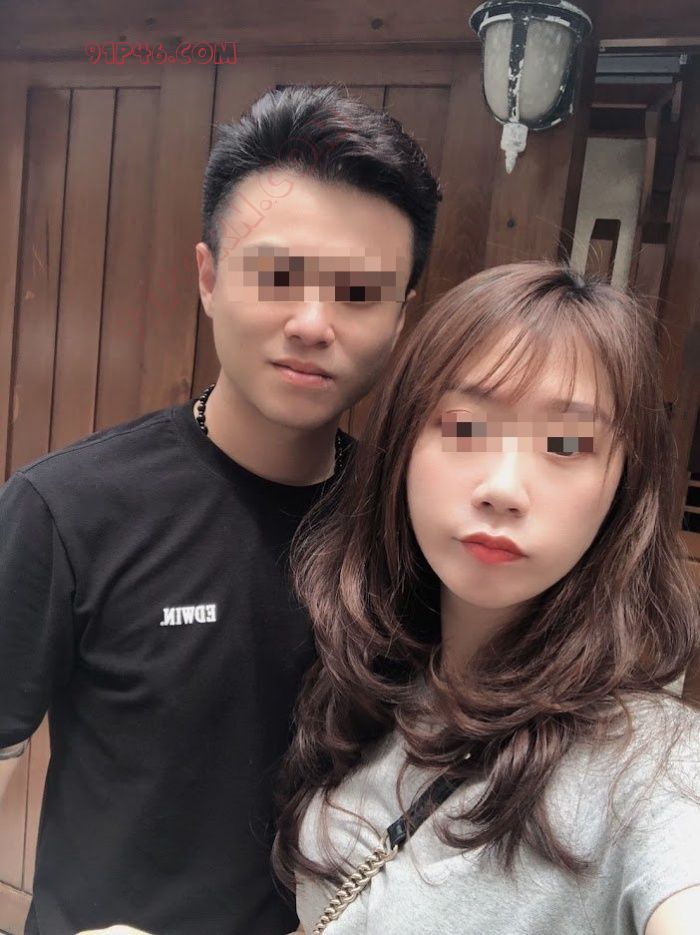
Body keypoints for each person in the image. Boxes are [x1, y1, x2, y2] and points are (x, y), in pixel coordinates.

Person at [0, 84, 441, 935]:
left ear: (400, 317)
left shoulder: (411, 531)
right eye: (277, 276)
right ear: (208, 277)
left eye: (359, 292)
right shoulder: (68, 509)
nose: (312, 323)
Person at [272, 262, 700, 935]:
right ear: (403, 448)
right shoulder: (376, 689)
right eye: (465, 427)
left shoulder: (653, 766)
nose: (502, 487)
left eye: (567, 443)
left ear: (623, 487)